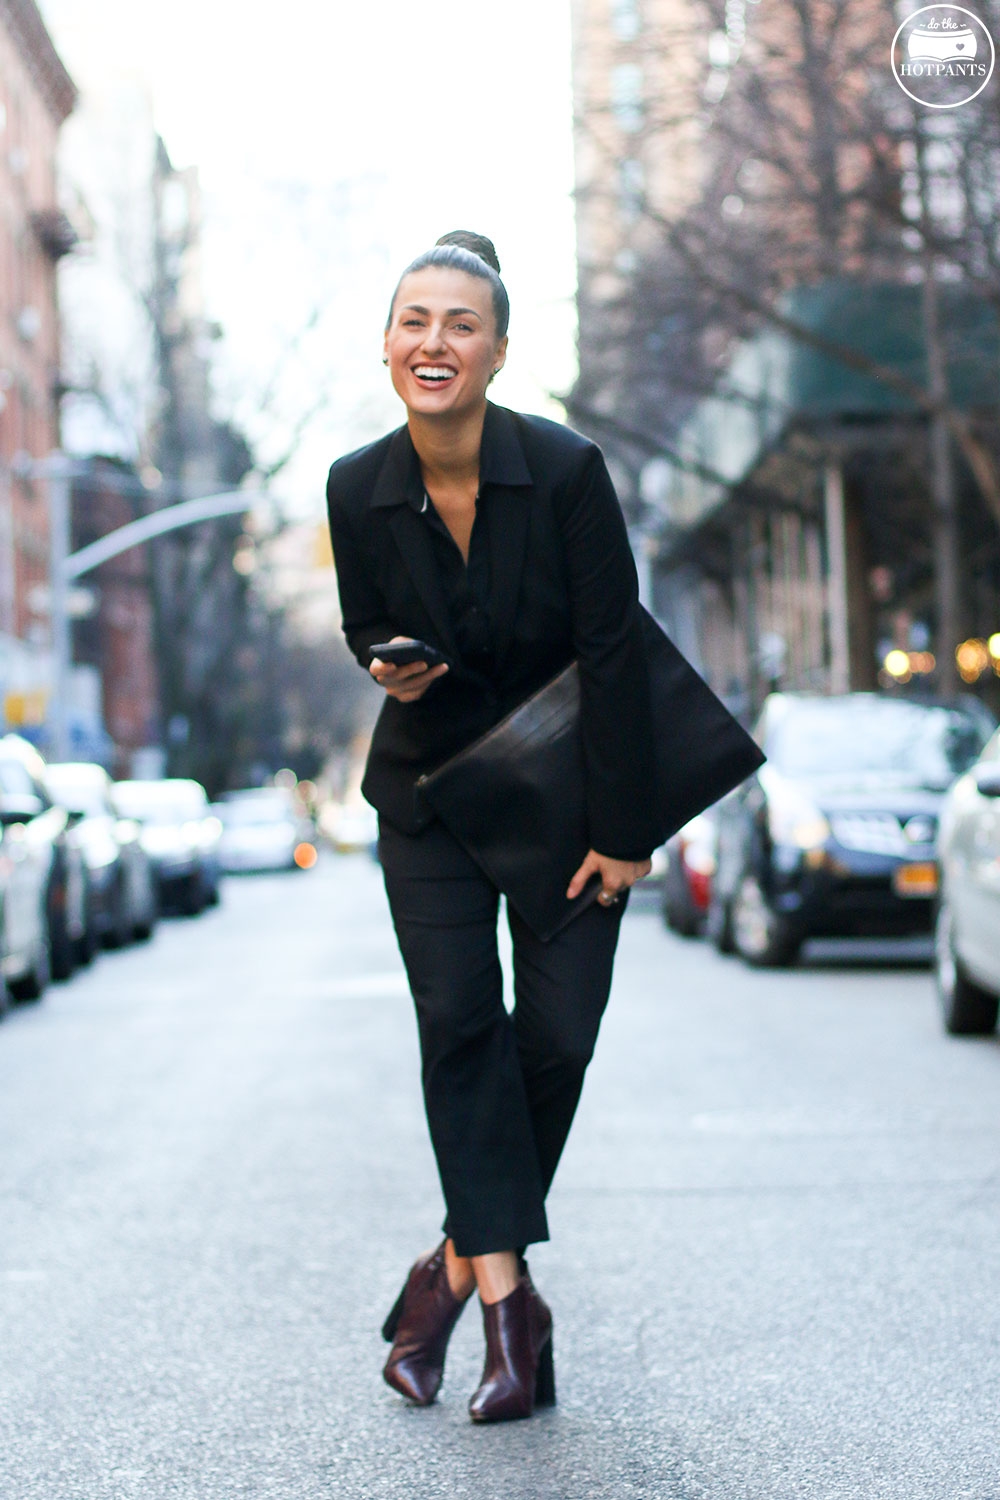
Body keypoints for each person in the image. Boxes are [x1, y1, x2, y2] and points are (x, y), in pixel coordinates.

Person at [326, 230, 660, 1423]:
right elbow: (370, 625)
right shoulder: (353, 486)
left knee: (557, 1041)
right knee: (461, 1027)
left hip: (573, 807)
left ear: (499, 351)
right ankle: (512, 1313)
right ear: (387, 345)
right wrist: (390, 669)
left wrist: (626, 831)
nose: (434, 342)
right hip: (429, 800)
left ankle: (444, 1275)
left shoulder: (566, 472)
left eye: (460, 324)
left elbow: (614, 652)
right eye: (415, 321)